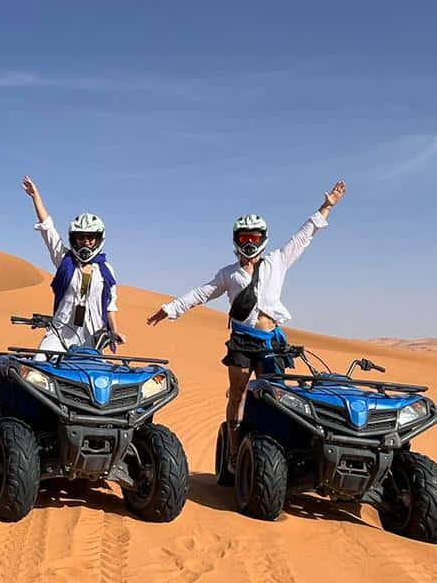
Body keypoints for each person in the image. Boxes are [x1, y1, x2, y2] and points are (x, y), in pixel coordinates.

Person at [146, 180, 347, 471]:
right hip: (242, 341)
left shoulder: (277, 261)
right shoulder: (229, 274)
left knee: (275, 397)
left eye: (253, 237)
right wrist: (170, 309)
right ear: (236, 241)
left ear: (263, 237)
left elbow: (304, 236)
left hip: (270, 343)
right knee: (238, 393)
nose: (249, 243)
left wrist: (326, 206)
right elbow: (202, 292)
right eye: (243, 238)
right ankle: (232, 450)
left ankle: (276, 453)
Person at [22, 176, 125, 354]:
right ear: (74, 238)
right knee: (39, 364)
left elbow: (110, 305)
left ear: (98, 239)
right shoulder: (64, 260)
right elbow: (48, 230)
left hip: (92, 337)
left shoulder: (105, 270)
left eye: (90, 237)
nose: (85, 241)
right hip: (60, 332)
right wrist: (35, 197)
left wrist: (114, 332)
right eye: (81, 236)